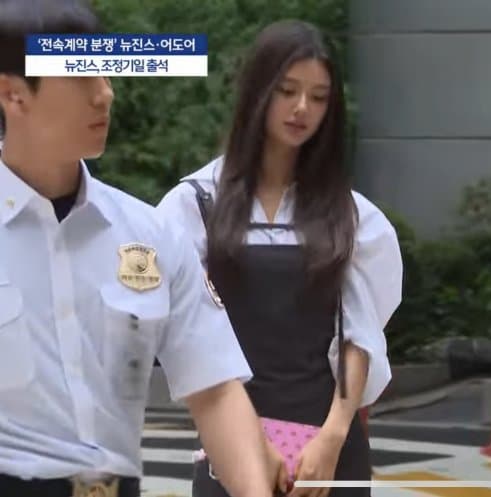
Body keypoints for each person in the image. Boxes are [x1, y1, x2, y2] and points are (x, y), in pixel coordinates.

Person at [0, 1, 288, 497]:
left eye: (106, 73)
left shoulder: (151, 235)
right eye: (81, 76)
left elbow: (215, 389)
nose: (105, 94)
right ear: (13, 94)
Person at [156, 20, 403, 497]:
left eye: (319, 96)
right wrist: (248, 442)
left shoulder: (353, 217)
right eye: (287, 91)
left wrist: (333, 436)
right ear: (257, 92)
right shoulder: (194, 205)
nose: (302, 108)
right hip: (231, 444)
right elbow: (185, 340)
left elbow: (360, 335)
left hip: (329, 451)